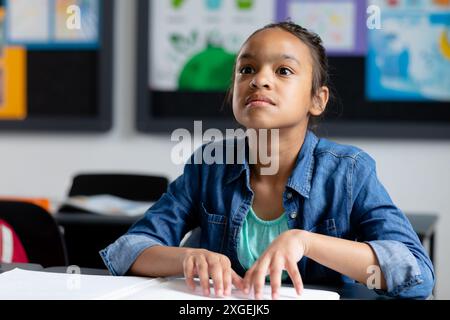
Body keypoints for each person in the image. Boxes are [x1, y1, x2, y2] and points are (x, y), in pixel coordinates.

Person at [100, 21, 434, 299]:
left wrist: (304, 241)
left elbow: (416, 274)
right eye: (246, 69)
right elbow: (129, 250)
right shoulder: (209, 165)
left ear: (317, 99)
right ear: (233, 92)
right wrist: (188, 257)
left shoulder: (348, 171)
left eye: (284, 70)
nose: (259, 79)